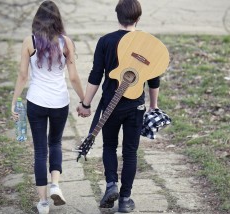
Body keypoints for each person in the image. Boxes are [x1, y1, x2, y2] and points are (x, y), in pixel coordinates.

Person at [77, 0, 160, 212]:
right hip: (136, 107)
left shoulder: (105, 41)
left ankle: (111, 184)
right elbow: (154, 80)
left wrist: (86, 103)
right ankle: (124, 200)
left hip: (111, 106)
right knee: (130, 152)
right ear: (138, 18)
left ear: (117, 17)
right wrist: (153, 105)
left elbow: (95, 75)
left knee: (109, 146)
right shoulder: (146, 44)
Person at [11, 1, 85, 213]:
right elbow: (73, 77)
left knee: (40, 150)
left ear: (37, 20)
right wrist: (84, 100)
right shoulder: (66, 42)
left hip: (36, 102)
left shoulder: (29, 41)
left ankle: (43, 203)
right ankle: (55, 184)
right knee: (55, 143)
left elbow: (23, 75)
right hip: (60, 102)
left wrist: (15, 101)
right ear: (58, 20)